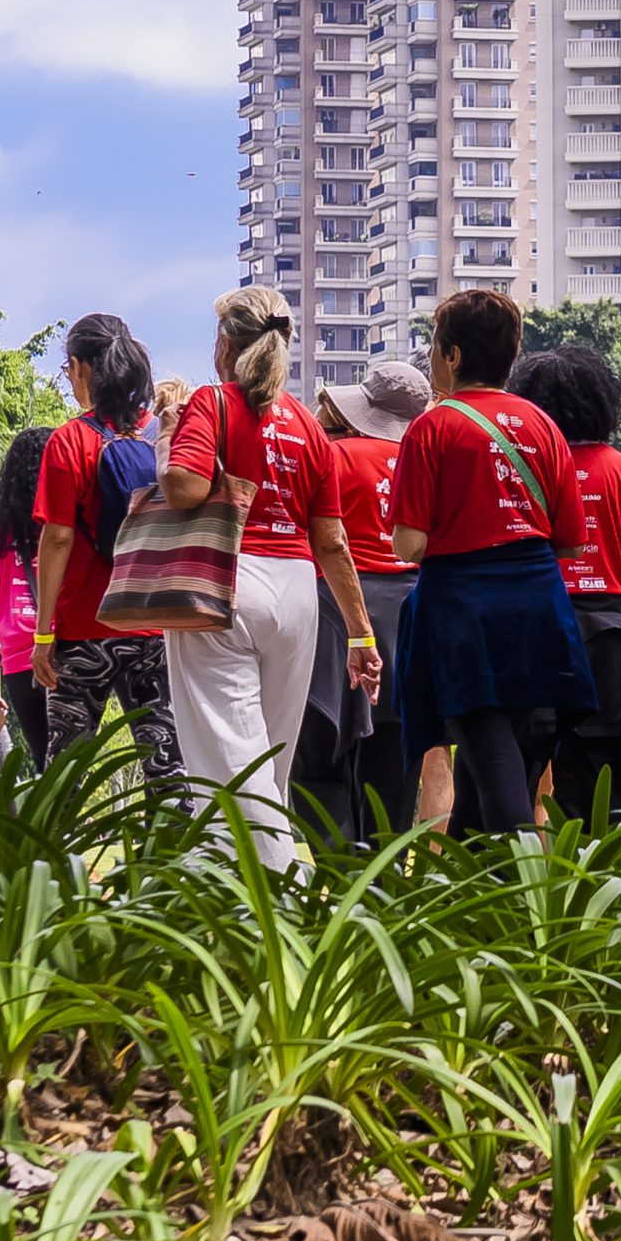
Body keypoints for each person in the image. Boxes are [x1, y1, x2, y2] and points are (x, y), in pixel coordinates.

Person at [159, 288, 379, 870]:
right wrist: (361, 634)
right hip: (297, 593)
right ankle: (233, 887)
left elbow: (182, 488)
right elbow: (332, 540)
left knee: (229, 759)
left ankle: (284, 891)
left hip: (225, 584)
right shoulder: (307, 425)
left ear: (225, 344)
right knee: (267, 762)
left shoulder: (212, 404)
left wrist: (168, 440)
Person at [388, 290, 594, 836]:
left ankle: (531, 901)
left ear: (452, 356)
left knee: (493, 768)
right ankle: (472, 906)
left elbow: (407, 545)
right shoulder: (543, 426)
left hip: (463, 614)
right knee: (494, 777)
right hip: (539, 612)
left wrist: (464, 534)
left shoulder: (432, 427)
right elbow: (571, 543)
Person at [509, 347, 621, 820]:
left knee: (518, 771)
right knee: (606, 786)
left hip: (540, 623)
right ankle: (608, 886)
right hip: (612, 637)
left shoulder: (530, 466)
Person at [31, 313, 180, 784]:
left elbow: (57, 538)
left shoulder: (70, 441)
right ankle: (173, 853)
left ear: (80, 368)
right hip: (155, 626)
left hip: (84, 629)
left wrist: (42, 634)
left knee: (66, 770)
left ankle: (59, 856)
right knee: (167, 763)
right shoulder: (162, 436)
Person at [296, 359, 434, 842]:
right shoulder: (429, 460)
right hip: (412, 615)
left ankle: (336, 878)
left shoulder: (332, 455)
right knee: (396, 764)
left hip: (336, 612)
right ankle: (384, 883)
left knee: (319, 757)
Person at [0, 426, 53, 772]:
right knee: (72, 759)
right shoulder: (63, 527)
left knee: (43, 758)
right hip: (61, 650)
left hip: (19, 659)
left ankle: (51, 826)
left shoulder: (2, 538)